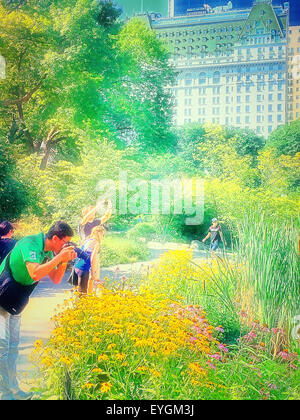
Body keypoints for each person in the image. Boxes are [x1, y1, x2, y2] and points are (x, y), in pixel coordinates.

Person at [0, 221, 77, 400]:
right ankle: (5, 394)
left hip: (14, 300)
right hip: (1, 297)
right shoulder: (30, 244)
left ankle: (13, 390)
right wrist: (59, 258)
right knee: (3, 347)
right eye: (65, 243)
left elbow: (56, 279)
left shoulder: (48, 251)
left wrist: (63, 261)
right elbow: (35, 273)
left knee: (13, 347)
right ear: (55, 238)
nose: (65, 246)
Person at [73, 225, 105, 294]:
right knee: (83, 295)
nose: (103, 236)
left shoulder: (87, 240)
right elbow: (93, 258)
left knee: (77, 293)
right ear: (100, 234)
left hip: (76, 267)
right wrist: (93, 273)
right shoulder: (96, 243)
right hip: (83, 269)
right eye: (103, 234)